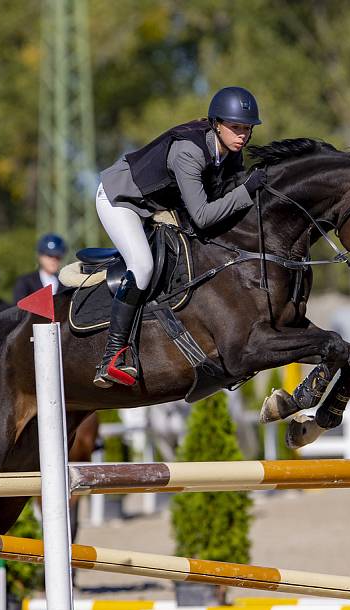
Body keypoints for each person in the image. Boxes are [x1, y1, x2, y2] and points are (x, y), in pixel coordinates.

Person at [93, 86, 263, 389]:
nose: (242, 136)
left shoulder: (230, 153)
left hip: (157, 205)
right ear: (217, 124)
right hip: (122, 200)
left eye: (247, 129)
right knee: (142, 265)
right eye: (236, 128)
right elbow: (203, 215)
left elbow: (225, 203)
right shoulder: (189, 151)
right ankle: (113, 355)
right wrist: (247, 190)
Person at [13, 233, 67, 303]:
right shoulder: (25, 282)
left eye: (58, 256)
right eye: (50, 255)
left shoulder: (65, 284)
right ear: (40, 256)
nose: (54, 260)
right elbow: (18, 309)